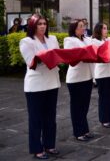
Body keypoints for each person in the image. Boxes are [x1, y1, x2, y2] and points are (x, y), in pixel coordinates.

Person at [19, 14, 60, 159]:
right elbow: (31, 62)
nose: (43, 26)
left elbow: (58, 56)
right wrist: (48, 57)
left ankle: (50, 145)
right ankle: (37, 148)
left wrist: (53, 57)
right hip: (35, 85)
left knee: (50, 117)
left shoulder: (53, 39)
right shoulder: (26, 41)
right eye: (39, 24)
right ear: (33, 26)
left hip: (52, 82)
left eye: (44, 23)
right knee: (36, 119)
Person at [64, 19, 94, 141]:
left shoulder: (87, 39)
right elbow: (72, 55)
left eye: (84, 26)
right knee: (77, 106)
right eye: (81, 26)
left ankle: (85, 129)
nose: (83, 28)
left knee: (85, 105)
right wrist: (87, 53)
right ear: (74, 28)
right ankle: (78, 132)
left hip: (87, 76)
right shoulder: (69, 40)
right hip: (75, 78)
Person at [91, 23, 110, 128]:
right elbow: (102, 52)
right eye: (104, 28)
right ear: (99, 30)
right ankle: (104, 119)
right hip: (102, 73)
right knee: (104, 97)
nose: (106, 30)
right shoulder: (95, 41)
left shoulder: (108, 40)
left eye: (107, 28)